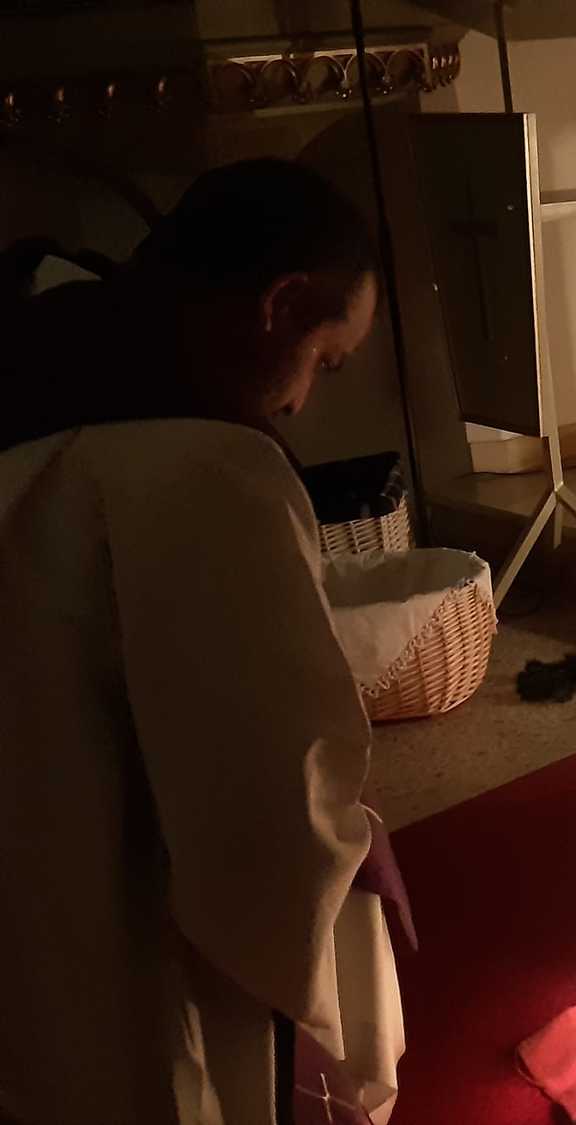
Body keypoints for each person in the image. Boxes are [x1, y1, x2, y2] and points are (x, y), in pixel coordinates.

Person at [0, 159, 404, 1124]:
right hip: (126, 914)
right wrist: (349, 850)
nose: (302, 403)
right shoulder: (207, 470)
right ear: (281, 304)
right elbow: (264, 797)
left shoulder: (37, 342)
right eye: (325, 360)